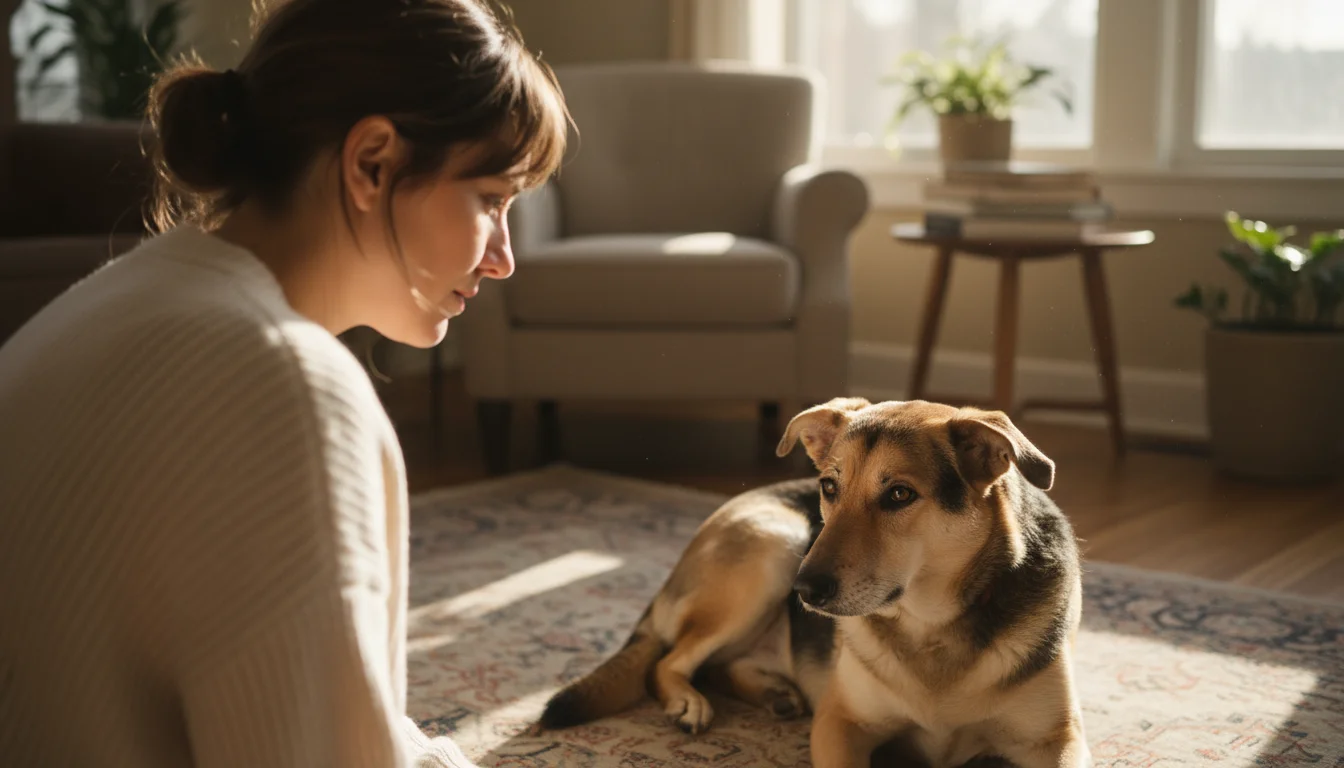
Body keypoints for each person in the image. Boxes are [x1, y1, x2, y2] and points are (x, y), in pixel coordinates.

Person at [0, 0, 568, 765]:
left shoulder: (118, 295)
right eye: (490, 201)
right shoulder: (281, 382)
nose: (503, 256)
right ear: (373, 162)